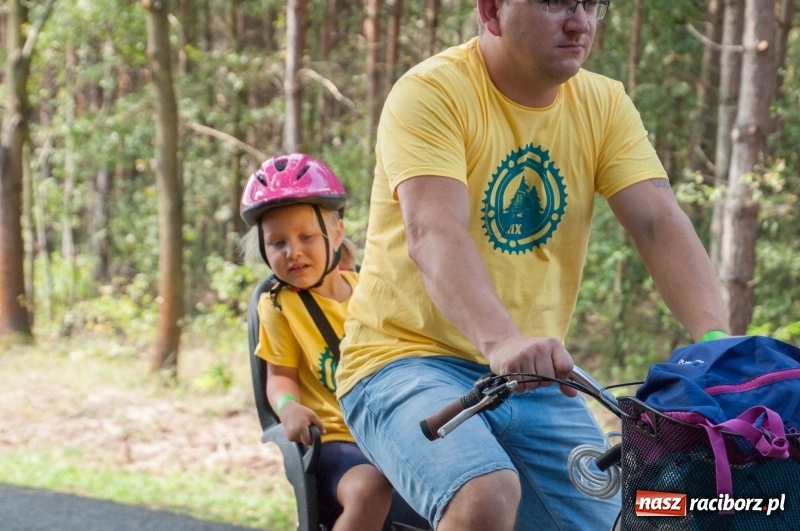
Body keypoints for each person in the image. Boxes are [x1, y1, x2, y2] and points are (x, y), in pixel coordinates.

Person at [335, 1, 730, 530]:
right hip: (404, 359)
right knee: (485, 494)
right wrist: (500, 341)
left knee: (627, 517)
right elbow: (434, 231)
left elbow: (658, 222)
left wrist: (718, 344)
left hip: (537, 377)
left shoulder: (604, 103)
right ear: (493, 11)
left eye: (591, 4)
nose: (580, 21)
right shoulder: (432, 92)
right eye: (555, 2)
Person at [240, 153, 392, 531]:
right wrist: (289, 407)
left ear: (336, 233)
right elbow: (280, 376)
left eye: (306, 236)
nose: (293, 251)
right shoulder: (279, 305)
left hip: (391, 434)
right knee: (369, 489)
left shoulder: (371, 291)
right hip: (334, 441)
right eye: (278, 242)